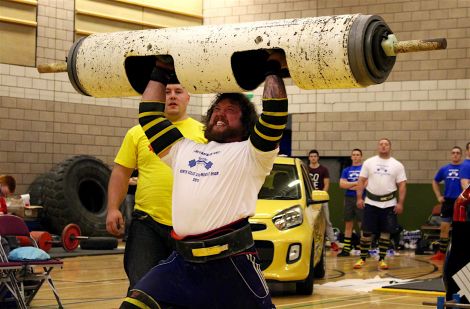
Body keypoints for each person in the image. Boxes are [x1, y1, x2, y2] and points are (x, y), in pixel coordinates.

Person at [120, 52, 288, 309]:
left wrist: (272, 68)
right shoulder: (182, 148)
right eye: (216, 110)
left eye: (230, 111)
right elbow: (150, 117)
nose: (220, 115)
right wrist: (161, 70)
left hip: (231, 265)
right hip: (183, 264)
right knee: (134, 305)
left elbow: (274, 116)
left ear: (245, 124)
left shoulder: (253, 154)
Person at [106, 83, 206, 290]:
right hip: (147, 223)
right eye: (166, 92)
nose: (172, 96)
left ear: (188, 97)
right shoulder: (137, 132)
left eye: (178, 92)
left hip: (192, 227)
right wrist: (113, 208)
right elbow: (121, 172)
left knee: (189, 291)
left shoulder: (204, 133)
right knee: (142, 288)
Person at [354, 138, 407, 270]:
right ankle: (362, 258)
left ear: (390, 147)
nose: (384, 146)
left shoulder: (397, 165)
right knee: (366, 232)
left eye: (386, 144)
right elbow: (361, 181)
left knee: (385, 232)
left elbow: (402, 185)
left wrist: (400, 203)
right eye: (381, 144)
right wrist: (359, 198)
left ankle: (382, 259)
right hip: (370, 202)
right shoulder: (369, 162)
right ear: (378, 147)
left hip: (389, 203)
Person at [430, 146, 462, 260]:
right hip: (448, 202)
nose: (455, 155)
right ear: (450, 154)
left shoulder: (465, 168)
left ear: (461, 155)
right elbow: (435, 181)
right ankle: (442, 253)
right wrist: (438, 196)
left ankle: (459, 253)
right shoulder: (444, 169)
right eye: (453, 153)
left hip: (461, 202)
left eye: (458, 153)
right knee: (444, 228)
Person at [308, 149, 340, 251]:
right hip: (309, 200)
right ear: (309, 158)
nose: (313, 158)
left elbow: (326, 184)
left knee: (327, 221)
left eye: (315, 156)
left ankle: (332, 242)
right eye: (311, 156)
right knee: (309, 221)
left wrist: (322, 195)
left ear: (318, 158)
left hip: (321, 199)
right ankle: (309, 242)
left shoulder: (323, 169)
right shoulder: (305, 169)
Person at [338, 148, 364, 257]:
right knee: (348, 224)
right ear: (351, 157)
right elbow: (341, 184)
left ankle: (364, 250)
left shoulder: (364, 169)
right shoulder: (346, 170)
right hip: (348, 198)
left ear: (361, 157)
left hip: (361, 198)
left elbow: (364, 184)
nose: (356, 156)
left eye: (358, 155)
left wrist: (349, 184)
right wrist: (355, 184)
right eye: (354, 155)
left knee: (362, 224)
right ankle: (346, 249)